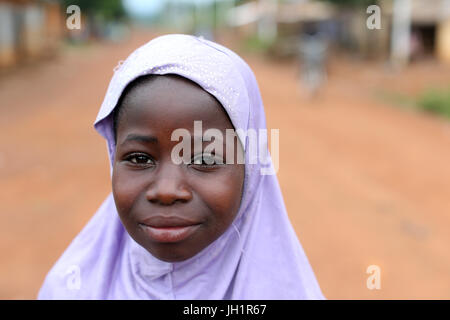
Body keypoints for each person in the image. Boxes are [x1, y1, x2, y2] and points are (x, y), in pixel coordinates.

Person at [37, 34, 324, 299]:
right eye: (139, 158)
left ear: (249, 170)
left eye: (205, 160)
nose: (166, 191)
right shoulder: (69, 290)